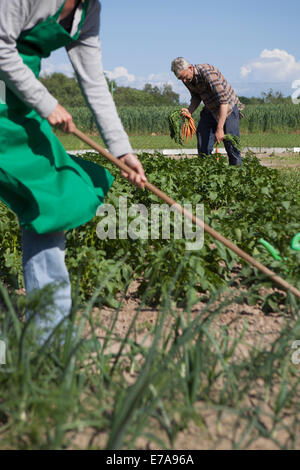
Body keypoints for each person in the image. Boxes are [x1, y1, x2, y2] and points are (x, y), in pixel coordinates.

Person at [0, 0, 147, 342]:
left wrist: (122, 150)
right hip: (17, 98)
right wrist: (47, 103)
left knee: (53, 197)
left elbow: (93, 80)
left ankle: (48, 334)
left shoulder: (88, 10)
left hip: (19, 106)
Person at [171, 57, 244, 166]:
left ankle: (237, 175)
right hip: (210, 108)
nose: (184, 81)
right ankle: (206, 175)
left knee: (232, 147)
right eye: (181, 79)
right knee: (203, 144)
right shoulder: (187, 78)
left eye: (185, 77)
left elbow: (224, 101)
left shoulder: (207, 73)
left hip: (227, 109)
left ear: (190, 68)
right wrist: (189, 111)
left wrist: (220, 129)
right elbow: (196, 97)